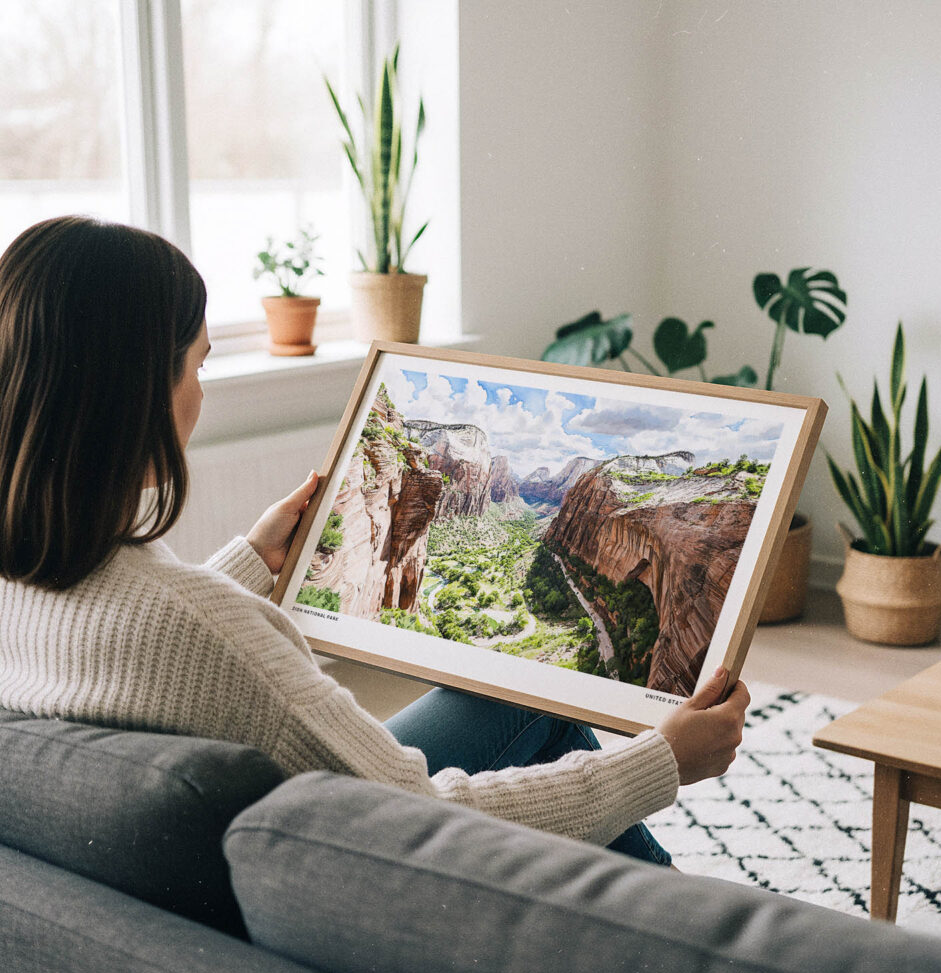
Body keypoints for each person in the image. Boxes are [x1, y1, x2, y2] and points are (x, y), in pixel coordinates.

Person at [0, 216, 749, 866]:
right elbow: (418, 816)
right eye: (198, 365)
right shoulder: (208, 631)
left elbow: (138, 637)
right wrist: (660, 762)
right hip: (357, 860)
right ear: (136, 395)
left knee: (505, 699)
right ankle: (691, 933)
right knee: (548, 719)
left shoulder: (26, 582)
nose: (202, 392)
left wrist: (250, 564)